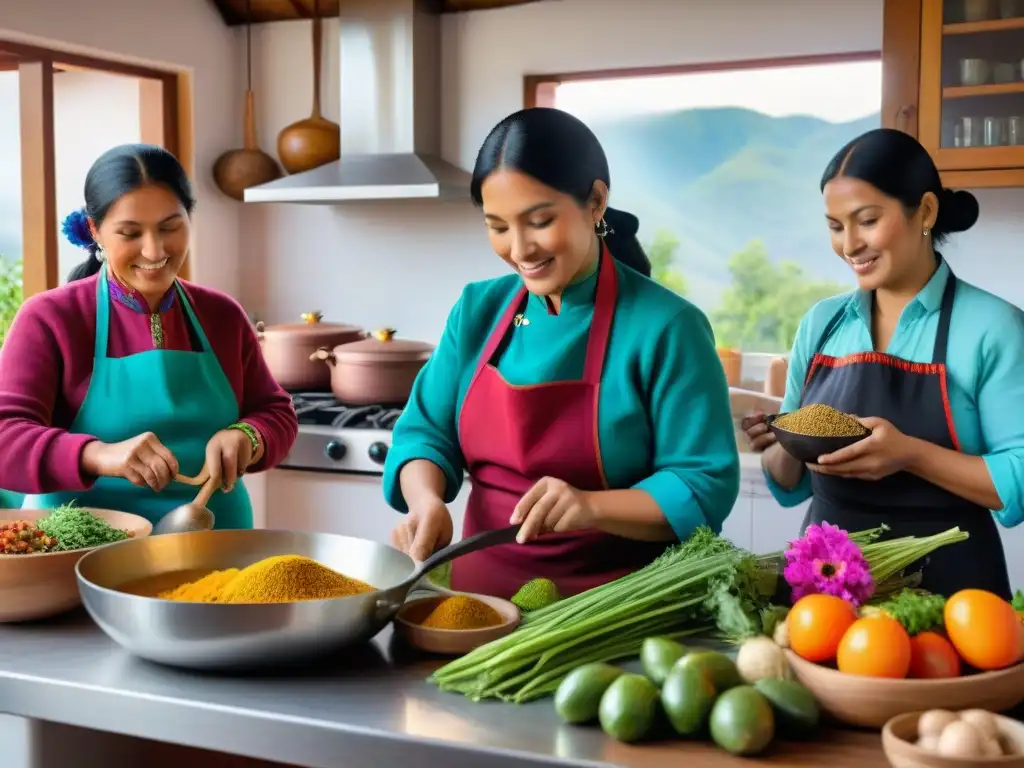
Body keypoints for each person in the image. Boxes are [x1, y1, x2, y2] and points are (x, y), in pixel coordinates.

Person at [383, 107, 740, 599]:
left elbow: (702, 484)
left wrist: (592, 506)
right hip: (477, 611)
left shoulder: (668, 328)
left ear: (595, 201)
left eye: (540, 221)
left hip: (610, 616)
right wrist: (424, 500)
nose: (520, 249)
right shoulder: (477, 311)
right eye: (498, 226)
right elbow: (425, 432)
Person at [743, 128, 1023, 600]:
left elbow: (1017, 480)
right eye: (835, 226)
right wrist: (783, 440)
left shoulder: (993, 328)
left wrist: (909, 453)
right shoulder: (822, 324)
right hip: (827, 594)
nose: (850, 244)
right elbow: (789, 483)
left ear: (926, 212)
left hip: (952, 597)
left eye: (866, 220)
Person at [0, 144, 298, 527]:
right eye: (130, 232)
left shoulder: (221, 314)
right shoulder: (51, 318)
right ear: (95, 230)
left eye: (170, 227)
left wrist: (249, 435)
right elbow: (5, 438)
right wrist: (97, 455)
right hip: (82, 550)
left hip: (216, 544)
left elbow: (276, 412)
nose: (154, 249)